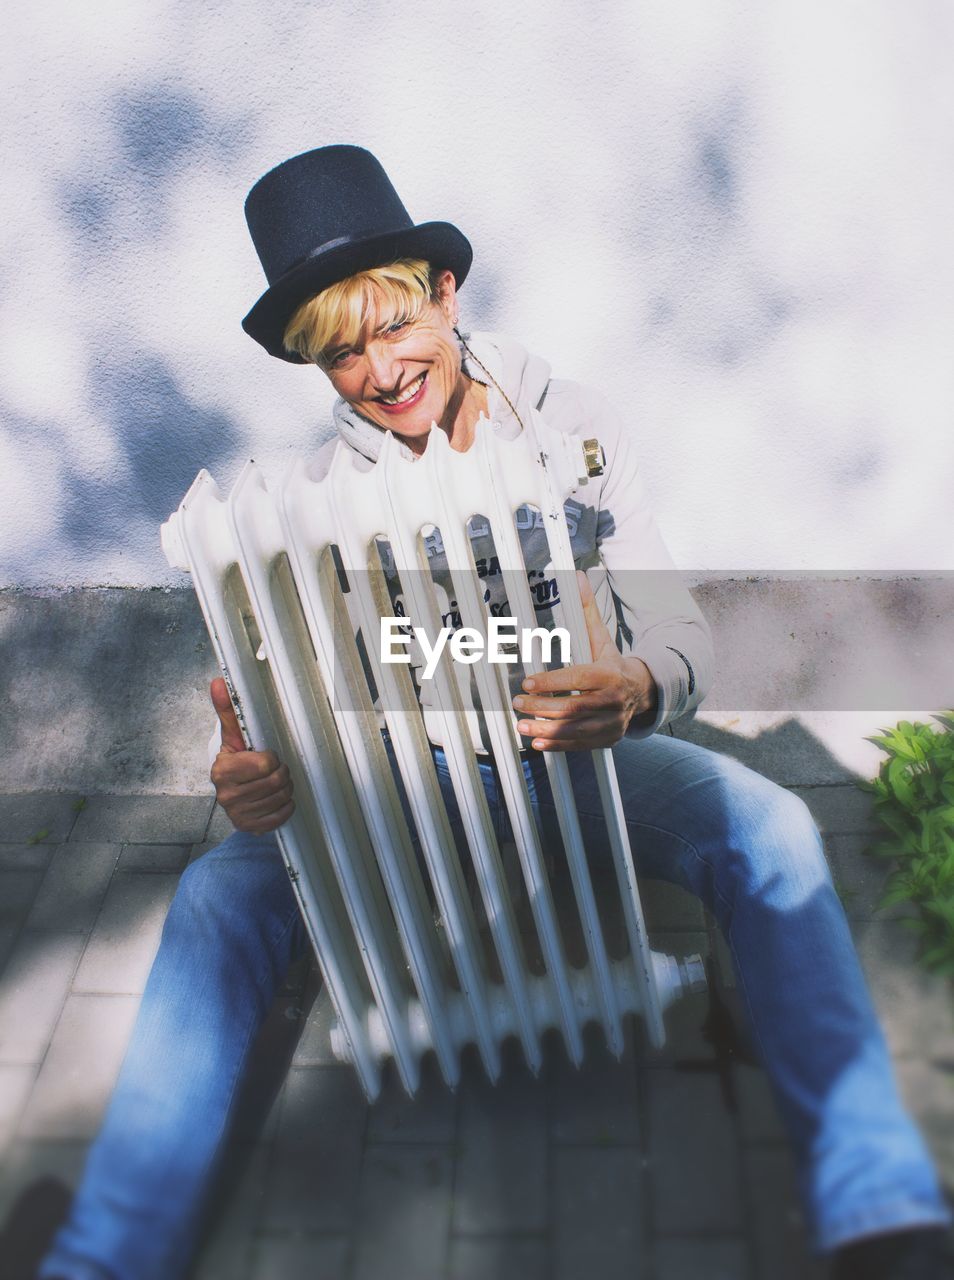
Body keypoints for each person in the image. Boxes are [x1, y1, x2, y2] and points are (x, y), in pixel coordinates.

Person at [37, 146, 952, 1280]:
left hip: (583, 763)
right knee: (219, 893)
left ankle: (880, 1206)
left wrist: (637, 686)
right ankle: (106, 1257)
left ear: (445, 293)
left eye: (392, 323)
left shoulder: (582, 432)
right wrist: (258, 784)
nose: (379, 370)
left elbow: (683, 636)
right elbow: (307, 720)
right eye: (339, 350)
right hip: (410, 785)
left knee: (770, 828)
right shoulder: (317, 507)